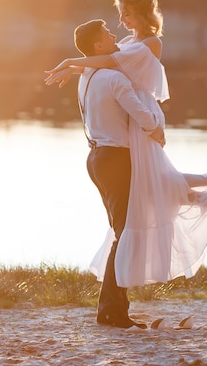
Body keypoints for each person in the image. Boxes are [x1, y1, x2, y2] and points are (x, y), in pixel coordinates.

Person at [45, 0, 207, 289]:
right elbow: (107, 68)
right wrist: (77, 69)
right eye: (120, 15)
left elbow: (109, 63)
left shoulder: (151, 44)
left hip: (141, 118)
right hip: (134, 120)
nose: (122, 22)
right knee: (156, 184)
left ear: (142, 12)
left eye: (126, 14)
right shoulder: (131, 41)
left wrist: (72, 62)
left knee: (153, 184)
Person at [71, 19, 165, 329]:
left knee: (121, 231)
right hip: (115, 159)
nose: (115, 35)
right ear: (98, 46)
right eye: (108, 34)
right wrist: (157, 130)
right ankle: (111, 310)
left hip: (95, 157)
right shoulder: (114, 78)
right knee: (124, 234)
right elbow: (140, 113)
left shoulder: (87, 76)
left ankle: (115, 307)